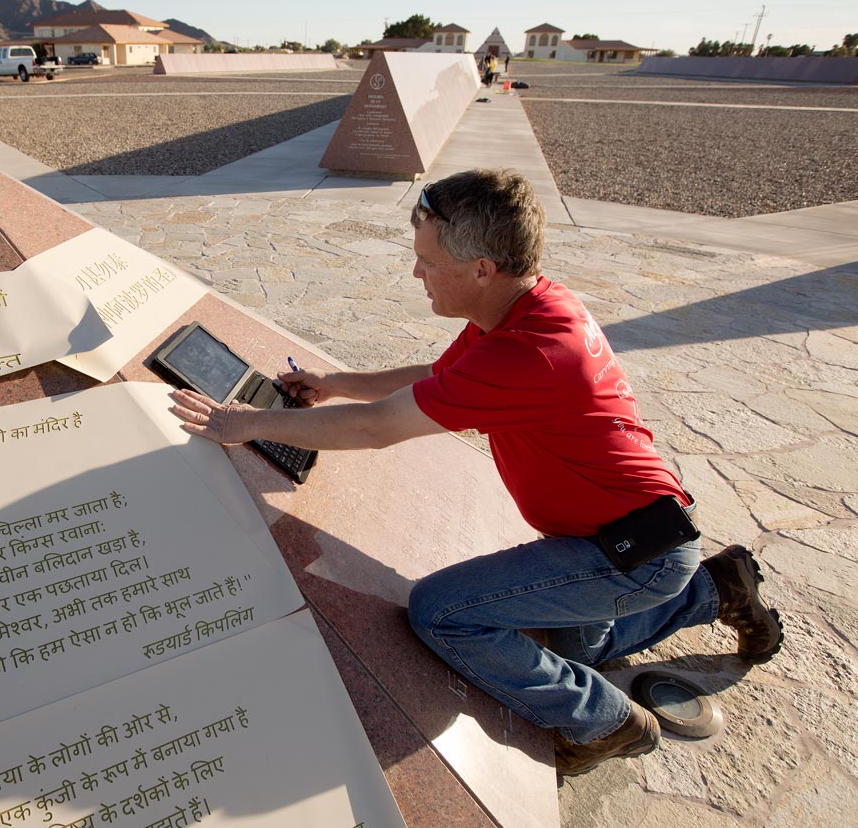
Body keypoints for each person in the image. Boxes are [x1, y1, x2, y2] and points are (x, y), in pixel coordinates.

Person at [169, 168, 783, 776]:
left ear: (481, 269)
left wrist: (242, 425)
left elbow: (378, 428)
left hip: (626, 553)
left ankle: (602, 722)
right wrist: (334, 384)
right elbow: (435, 380)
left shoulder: (527, 353)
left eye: (428, 262)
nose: (417, 273)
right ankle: (714, 588)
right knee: (576, 644)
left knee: (444, 611)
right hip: (630, 536)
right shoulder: (525, 309)